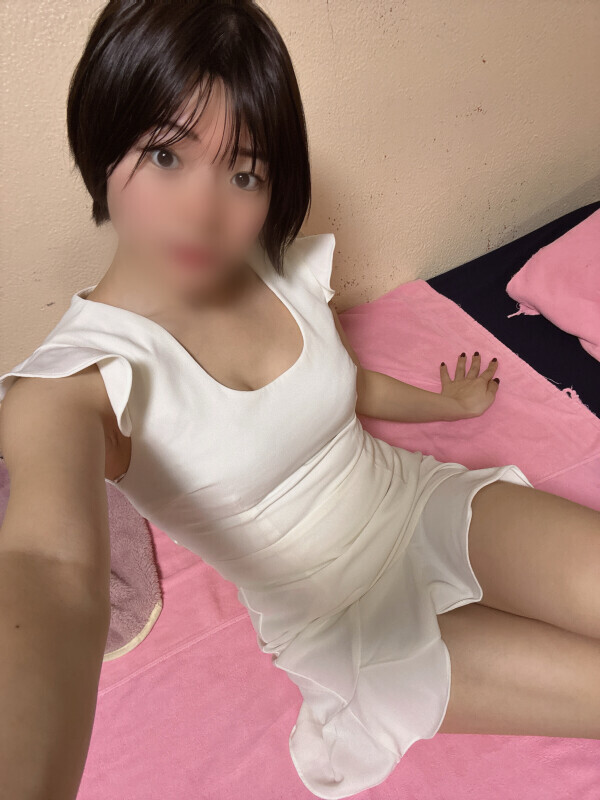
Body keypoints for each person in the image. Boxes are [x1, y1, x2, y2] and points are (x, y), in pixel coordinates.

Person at [1, 2, 599, 798]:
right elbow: (47, 565)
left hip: (413, 501)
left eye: (243, 172)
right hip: (338, 620)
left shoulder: (273, 265)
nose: (204, 212)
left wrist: (446, 407)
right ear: (104, 139)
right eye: (166, 155)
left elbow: (333, 385)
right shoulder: (74, 382)